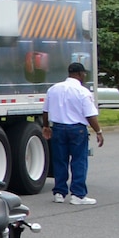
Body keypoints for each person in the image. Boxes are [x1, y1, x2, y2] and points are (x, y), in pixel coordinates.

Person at [44, 61, 104, 205]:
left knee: (60, 161)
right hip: (77, 130)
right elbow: (90, 115)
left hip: (58, 128)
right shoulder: (83, 91)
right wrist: (98, 131)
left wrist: (46, 126)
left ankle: (59, 192)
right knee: (79, 161)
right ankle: (78, 195)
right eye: (84, 74)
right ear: (80, 74)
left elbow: (45, 111)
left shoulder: (53, 89)